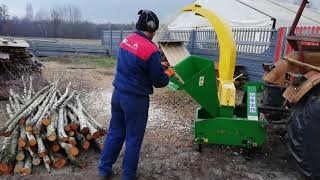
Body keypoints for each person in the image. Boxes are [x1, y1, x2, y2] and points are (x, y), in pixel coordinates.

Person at [99, 10, 171, 180]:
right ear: (152, 27)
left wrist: (157, 64)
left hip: (118, 95)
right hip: (135, 100)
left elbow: (135, 65)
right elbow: (158, 80)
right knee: (133, 138)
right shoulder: (151, 49)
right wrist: (166, 74)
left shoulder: (126, 41)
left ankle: (104, 169)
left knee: (115, 132)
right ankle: (128, 175)